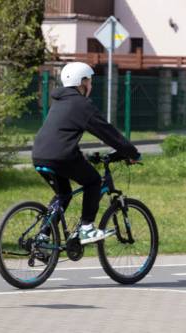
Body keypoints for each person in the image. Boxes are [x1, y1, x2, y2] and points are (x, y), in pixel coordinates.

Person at [32, 62, 140, 244]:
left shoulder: (59, 101)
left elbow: (61, 135)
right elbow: (107, 132)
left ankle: (43, 236)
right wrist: (132, 153)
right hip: (62, 157)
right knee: (93, 181)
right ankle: (86, 228)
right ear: (81, 82)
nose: (91, 85)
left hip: (40, 155)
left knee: (63, 194)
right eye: (89, 81)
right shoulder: (82, 104)